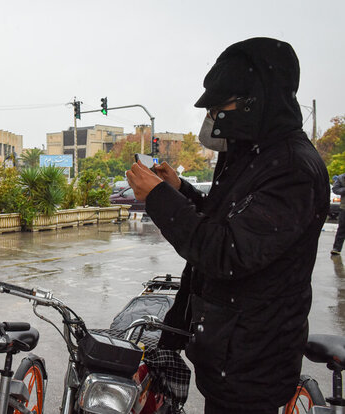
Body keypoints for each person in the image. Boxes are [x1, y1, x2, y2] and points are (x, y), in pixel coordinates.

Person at [126, 38, 329, 414]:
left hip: (255, 361)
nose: (216, 117)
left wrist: (158, 198)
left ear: (257, 100)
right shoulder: (247, 153)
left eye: (223, 106)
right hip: (227, 349)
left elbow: (228, 251)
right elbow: (225, 220)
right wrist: (179, 189)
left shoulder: (292, 168)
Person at [331, 173, 345, 255]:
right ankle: (336, 248)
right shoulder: (341, 178)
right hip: (344, 207)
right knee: (342, 229)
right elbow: (335, 189)